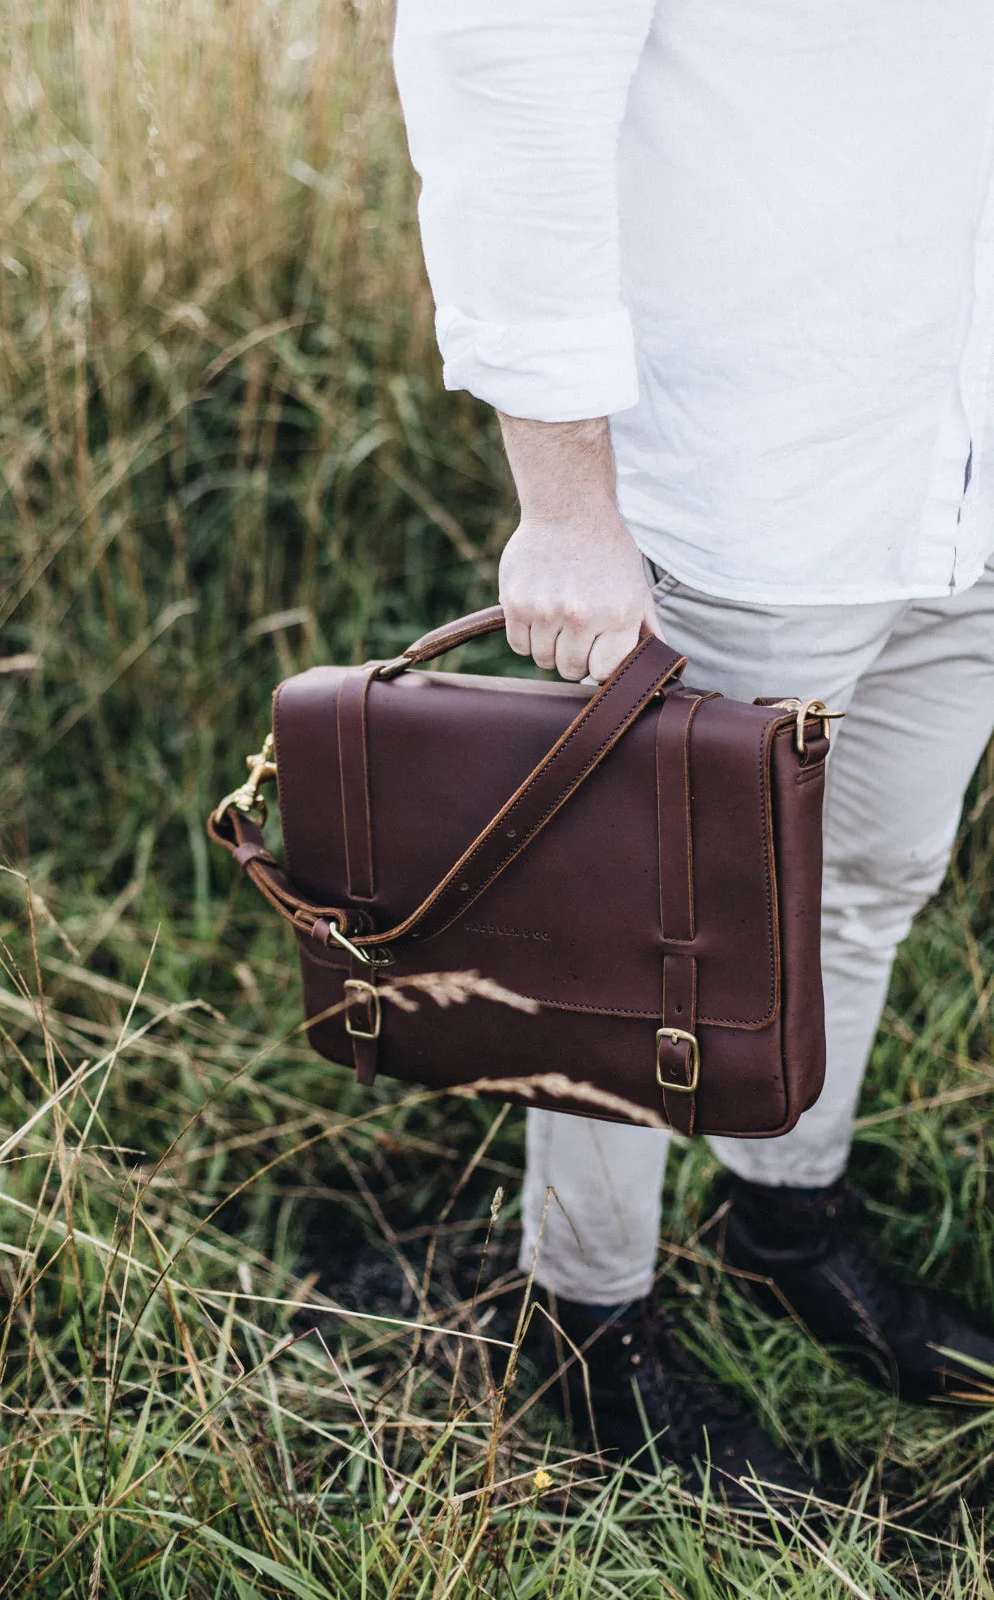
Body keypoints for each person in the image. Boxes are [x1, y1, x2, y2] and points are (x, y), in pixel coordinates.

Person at [391, 2, 994, 1501]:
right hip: (749, 478)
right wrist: (567, 504)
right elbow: (504, 68)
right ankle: (585, 1312)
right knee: (647, 943)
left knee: (867, 878)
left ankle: (784, 1214)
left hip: (962, 483)